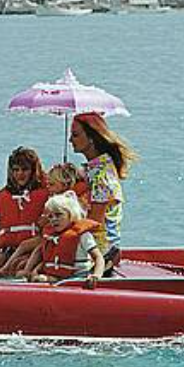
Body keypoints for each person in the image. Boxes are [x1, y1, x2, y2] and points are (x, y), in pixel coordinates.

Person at [0, 161, 91, 278]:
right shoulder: (55, 198)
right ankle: (14, 269)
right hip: (50, 235)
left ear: (64, 185)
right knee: (30, 248)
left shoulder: (67, 200)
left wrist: (43, 221)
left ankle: (15, 270)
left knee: (27, 246)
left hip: (58, 236)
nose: (48, 188)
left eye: (52, 185)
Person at [68, 112, 139, 266]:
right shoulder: (93, 170)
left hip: (101, 252)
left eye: (75, 135)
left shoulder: (102, 177)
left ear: (92, 138)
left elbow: (94, 223)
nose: (70, 140)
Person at [0, 147, 49, 278]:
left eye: (25, 169)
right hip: (7, 250)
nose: (20, 174)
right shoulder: (4, 195)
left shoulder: (46, 193)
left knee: (18, 270)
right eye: (16, 170)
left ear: (33, 170)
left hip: (32, 250)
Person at [27, 191, 105, 288]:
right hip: (57, 277)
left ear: (71, 214)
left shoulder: (83, 236)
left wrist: (96, 275)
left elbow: (98, 257)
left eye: (58, 215)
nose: (54, 219)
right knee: (40, 279)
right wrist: (34, 271)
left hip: (79, 277)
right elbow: (46, 259)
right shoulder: (51, 236)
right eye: (50, 216)